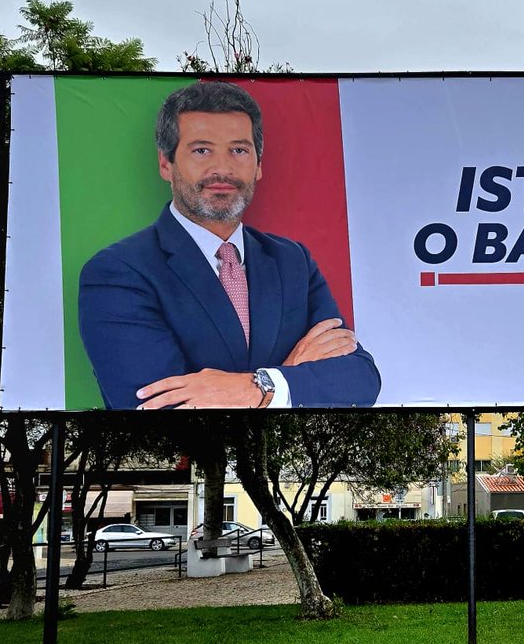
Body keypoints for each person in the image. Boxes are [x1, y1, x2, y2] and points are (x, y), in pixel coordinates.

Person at [78, 81, 381, 410]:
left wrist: (258, 386)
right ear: (166, 164)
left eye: (238, 150)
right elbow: (159, 407)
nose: (222, 169)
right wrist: (286, 376)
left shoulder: (292, 262)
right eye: (201, 150)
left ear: (259, 165)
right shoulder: (118, 272)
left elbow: (359, 379)